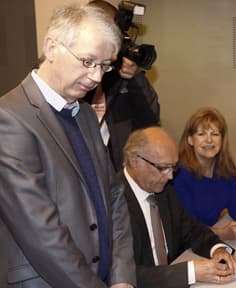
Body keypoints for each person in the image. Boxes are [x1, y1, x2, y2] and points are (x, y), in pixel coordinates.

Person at [0, 4, 135, 287]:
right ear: (51, 48)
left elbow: (114, 196)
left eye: (104, 65)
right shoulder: (9, 117)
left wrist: (123, 278)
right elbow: (41, 232)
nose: (97, 77)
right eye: (88, 62)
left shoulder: (85, 113)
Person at [121, 127, 236, 287]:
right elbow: (123, 275)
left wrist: (217, 249)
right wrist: (191, 272)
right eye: (163, 168)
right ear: (134, 160)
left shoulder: (165, 191)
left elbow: (191, 230)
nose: (170, 176)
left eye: (173, 167)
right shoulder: (112, 201)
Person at [174, 107, 236, 240]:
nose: (209, 140)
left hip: (211, 236)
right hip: (187, 244)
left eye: (215, 134)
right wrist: (222, 234)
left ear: (222, 139)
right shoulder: (180, 174)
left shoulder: (225, 167)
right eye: (201, 134)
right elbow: (187, 227)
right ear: (190, 140)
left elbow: (235, 204)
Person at [85, 0, 160, 172]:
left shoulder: (124, 75)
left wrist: (135, 77)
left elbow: (151, 117)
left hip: (117, 172)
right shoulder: (74, 71)